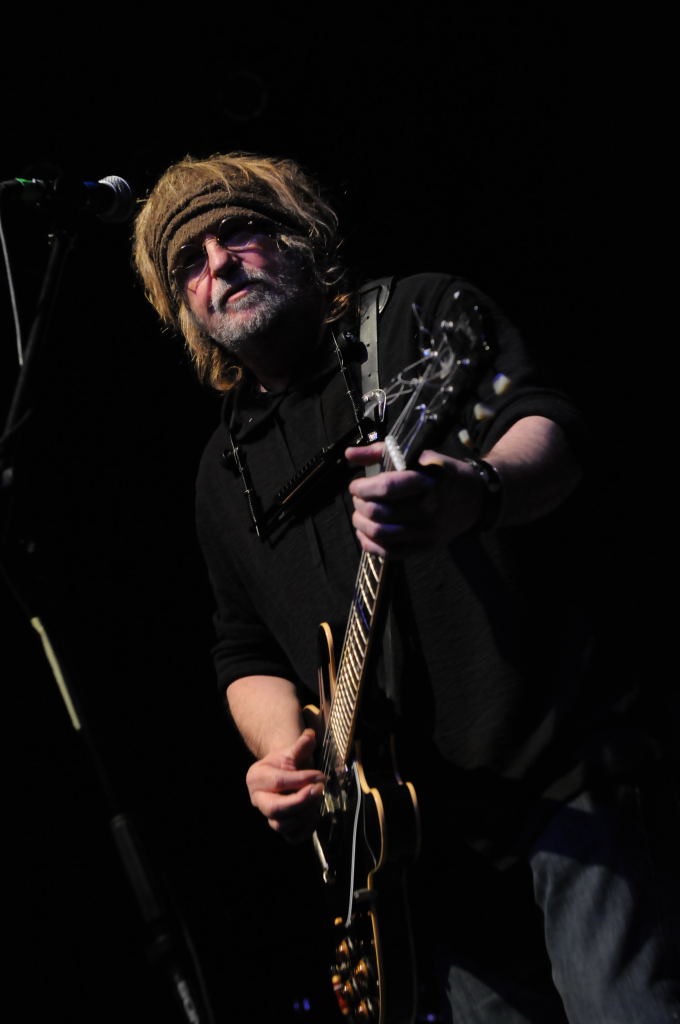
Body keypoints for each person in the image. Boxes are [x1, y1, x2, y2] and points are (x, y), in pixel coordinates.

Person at [133, 152, 679, 1023]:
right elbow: (242, 648)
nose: (218, 265)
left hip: (561, 769)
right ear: (184, 309)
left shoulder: (418, 319)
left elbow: (549, 428)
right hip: (419, 854)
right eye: (189, 263)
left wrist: (476, 489)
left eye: (238, 231)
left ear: (299, 238)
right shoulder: (221, 471)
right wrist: (284, 756)